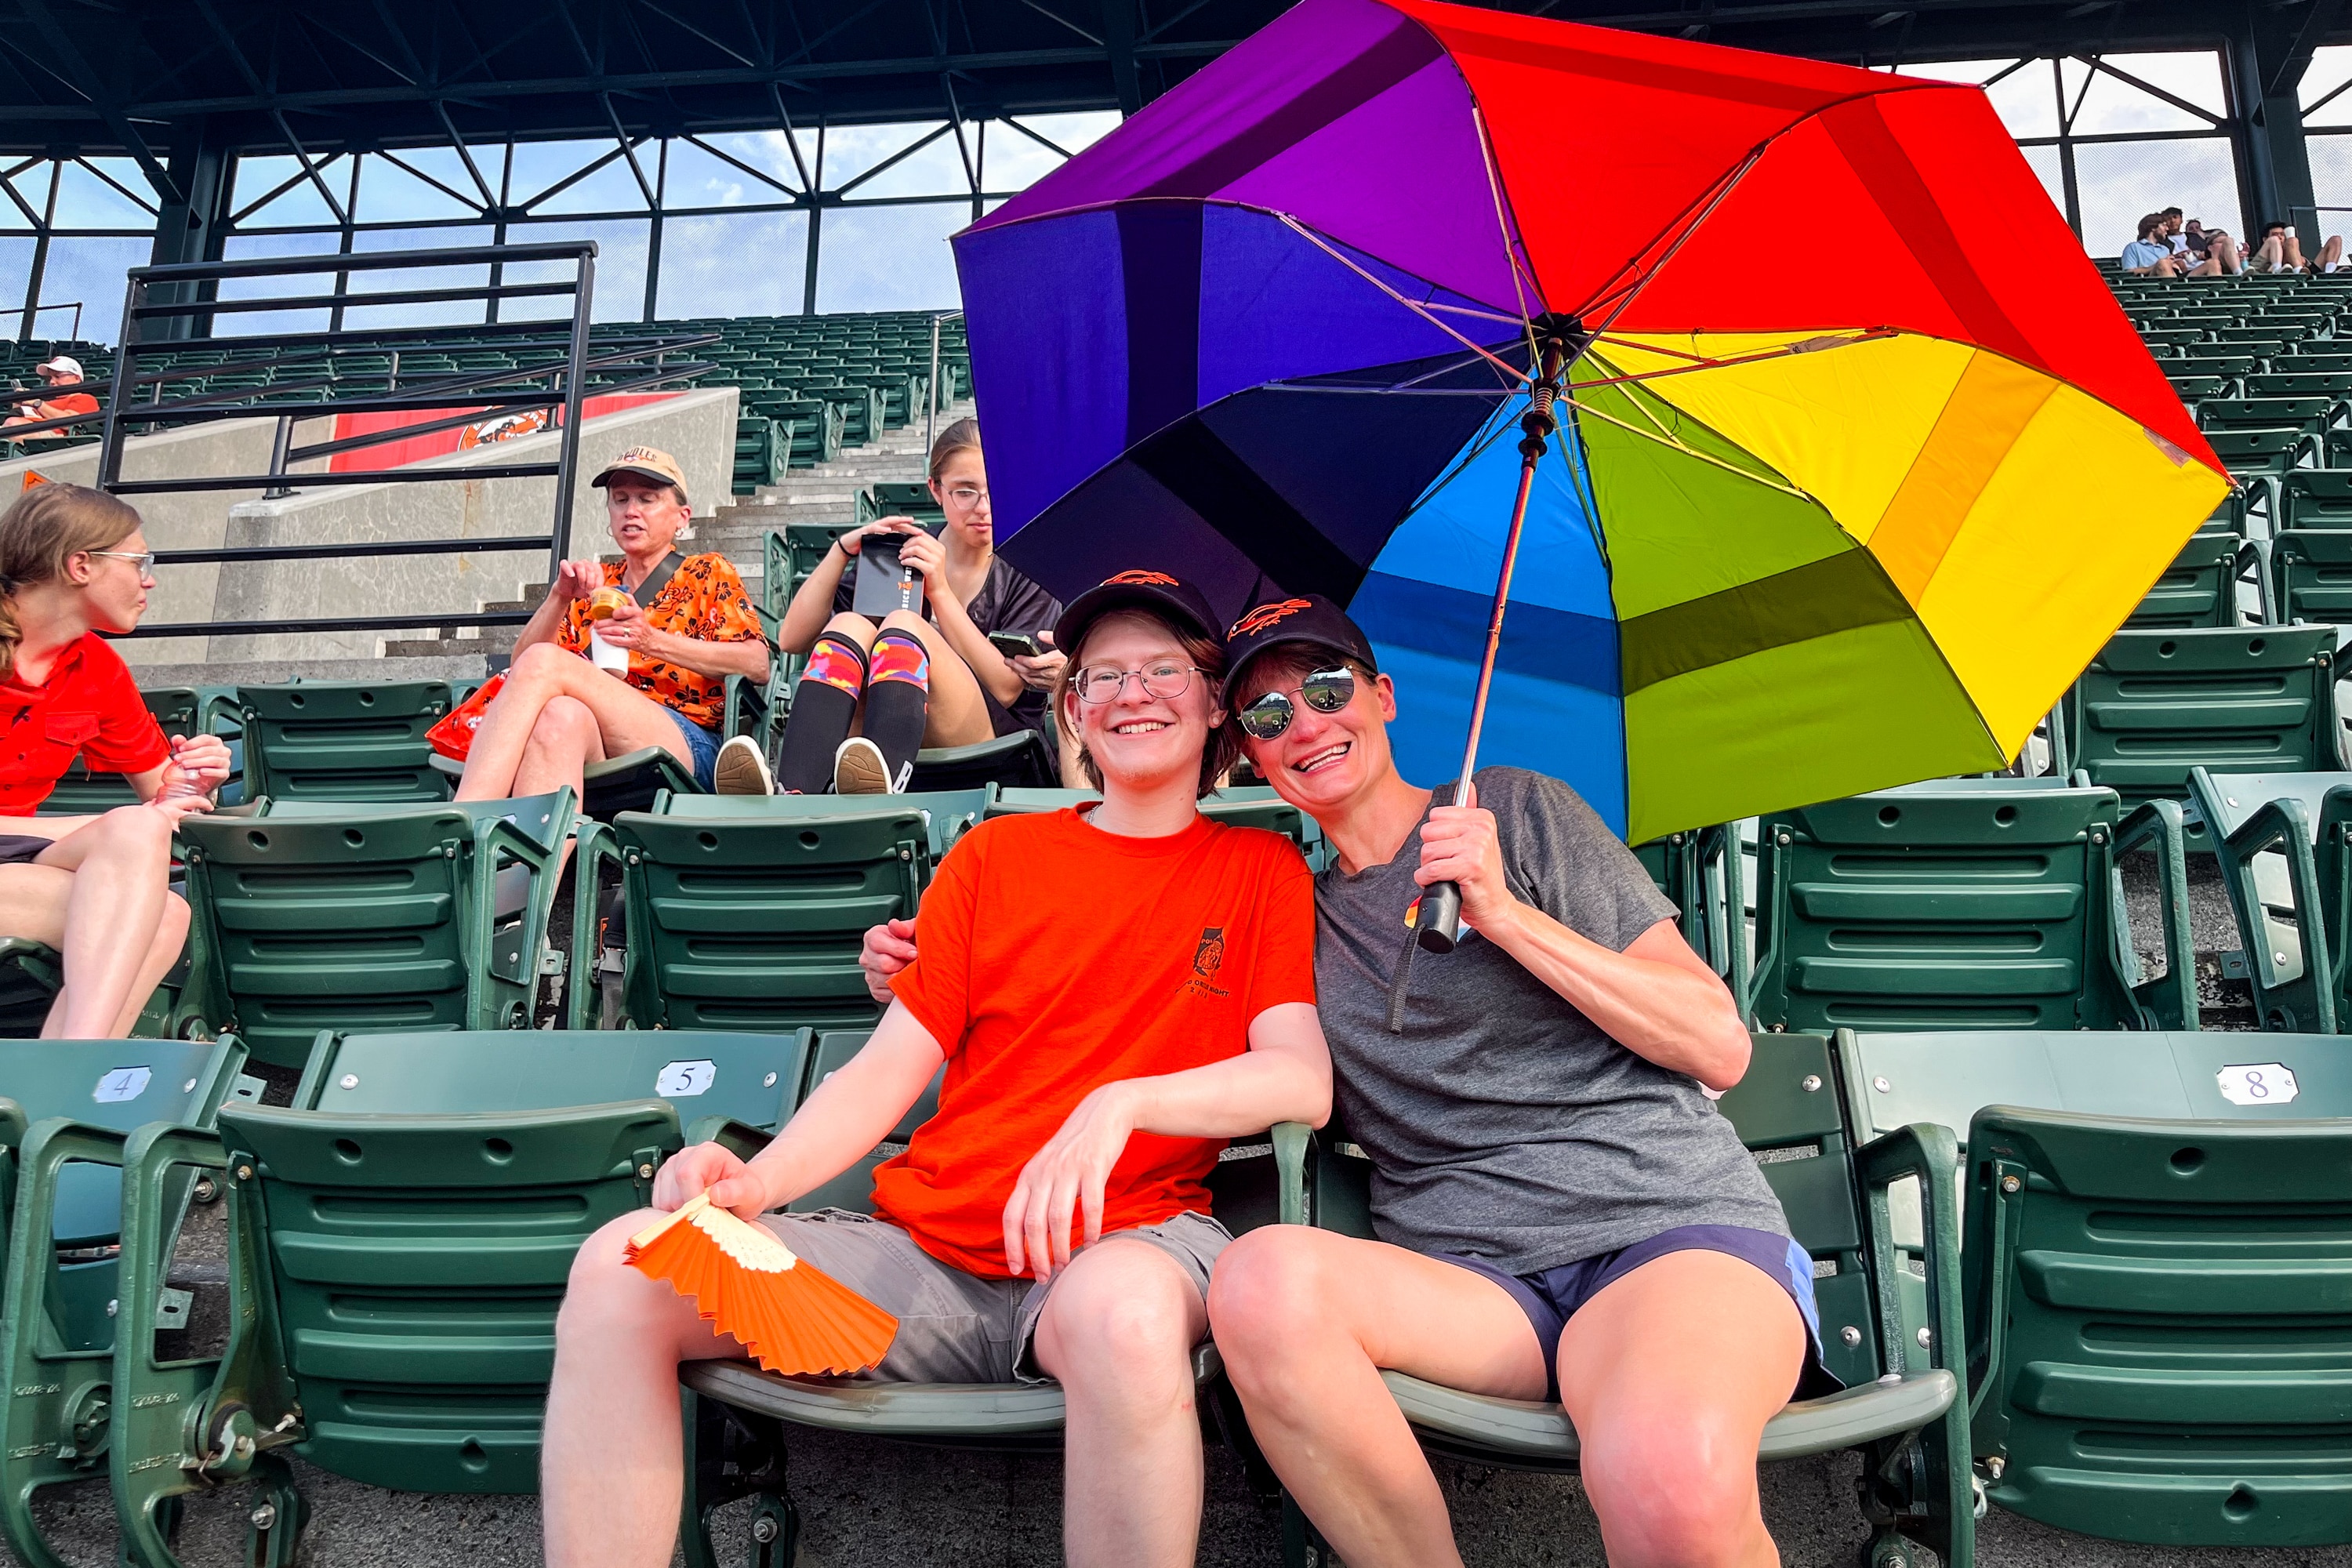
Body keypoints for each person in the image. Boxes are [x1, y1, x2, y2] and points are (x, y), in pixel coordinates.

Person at [861, 594, 1838, 1568]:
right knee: (1260, 1279)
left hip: (1660, 1231)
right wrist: (926, 963)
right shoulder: (1293, 909)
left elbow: (1718, 1043)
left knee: (1665, 1473)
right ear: (1245, 748)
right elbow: (1112, 986)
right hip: (1474, 1279)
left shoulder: (1516, 811)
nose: (1307, 725)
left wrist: (1503, 911)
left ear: (1384, 695)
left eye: (1326, 688)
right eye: (1270, 715)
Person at [541, 570, 1329, 1568]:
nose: (1135, 693)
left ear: (1216, 700)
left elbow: (1299, 1076)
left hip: (1127, 1244)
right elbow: (885, 1072)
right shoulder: (996, 857)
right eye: (1105, 676)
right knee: (620, 1267)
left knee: (1123, 1318)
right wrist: (758, 1179)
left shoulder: (1260, 870)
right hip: (924, 1259)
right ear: (1073, 707)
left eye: (1166, 670)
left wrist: (1122, 1105)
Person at [0, 484, 230, 1038]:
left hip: (15, 866)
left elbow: (165, 800)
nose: (149, 579)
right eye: (139, 561)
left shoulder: (97, 667)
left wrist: (192, 782)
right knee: (153, 895)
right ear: (80, 565)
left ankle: (62, 1071)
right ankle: (68, 1076)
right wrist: (97, 826)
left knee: (165, 908)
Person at [733, 418, 1069, 796]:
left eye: (996, 489)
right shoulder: (903, 552)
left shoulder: (1027, 564)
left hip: (997, 742)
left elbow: (1008, 690)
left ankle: (885, 790)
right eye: (965, 492)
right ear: (936, 490)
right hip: (881, 729)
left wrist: (939, 592)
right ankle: (792, 791)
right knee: (849, 625)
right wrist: (841, 550)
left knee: (904, 624)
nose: (983, 507)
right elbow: (792, 638)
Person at [455, 446, 768, 802]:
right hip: (598, 731)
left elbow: (756, 663)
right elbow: (520, 671)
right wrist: (559, 597)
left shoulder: (706, 572)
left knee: (547, 665)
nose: (631, 510)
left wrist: (650, 641)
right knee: (560, 716)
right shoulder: (595, 584)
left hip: (688, 737)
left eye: (647, 499)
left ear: (682, 517)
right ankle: (534, 858)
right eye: (620, 499)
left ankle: (466, 817)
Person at [3, 356, 100, 440]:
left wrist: (38, 404)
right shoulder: (49, 402)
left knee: (12, 425)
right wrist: (19, 402)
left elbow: (70, 423)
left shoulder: (85, 398)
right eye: (50, 378)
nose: (52, 382)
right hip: (22, 433)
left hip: (54, 439)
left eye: (58, 376)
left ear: (76, 378)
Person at [2122, 212, 2236, 277]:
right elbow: (2129, 272)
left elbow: (2177, 267)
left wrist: (2177, 261)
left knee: (2213, 263)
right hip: (2152, 283)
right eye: (2163, 225)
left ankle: (2213, 300)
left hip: (2177, 276)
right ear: (2153, 227)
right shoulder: (2133, 247)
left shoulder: (2164, 249)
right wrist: (2154, 266)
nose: (2167, 229)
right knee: (2163, 263)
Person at [2249, 220, 2344, 274]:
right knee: (2292, 241)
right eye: (2275, 234)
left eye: (2282, 234)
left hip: (2308, 272)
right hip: (2287, 274)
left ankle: (2329, 273)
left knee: (2336, 239)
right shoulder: (2265, 253)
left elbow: (2306, 263)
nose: (2279, 237)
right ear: (2265, 239)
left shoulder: (2290, 245)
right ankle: (2299, 271)